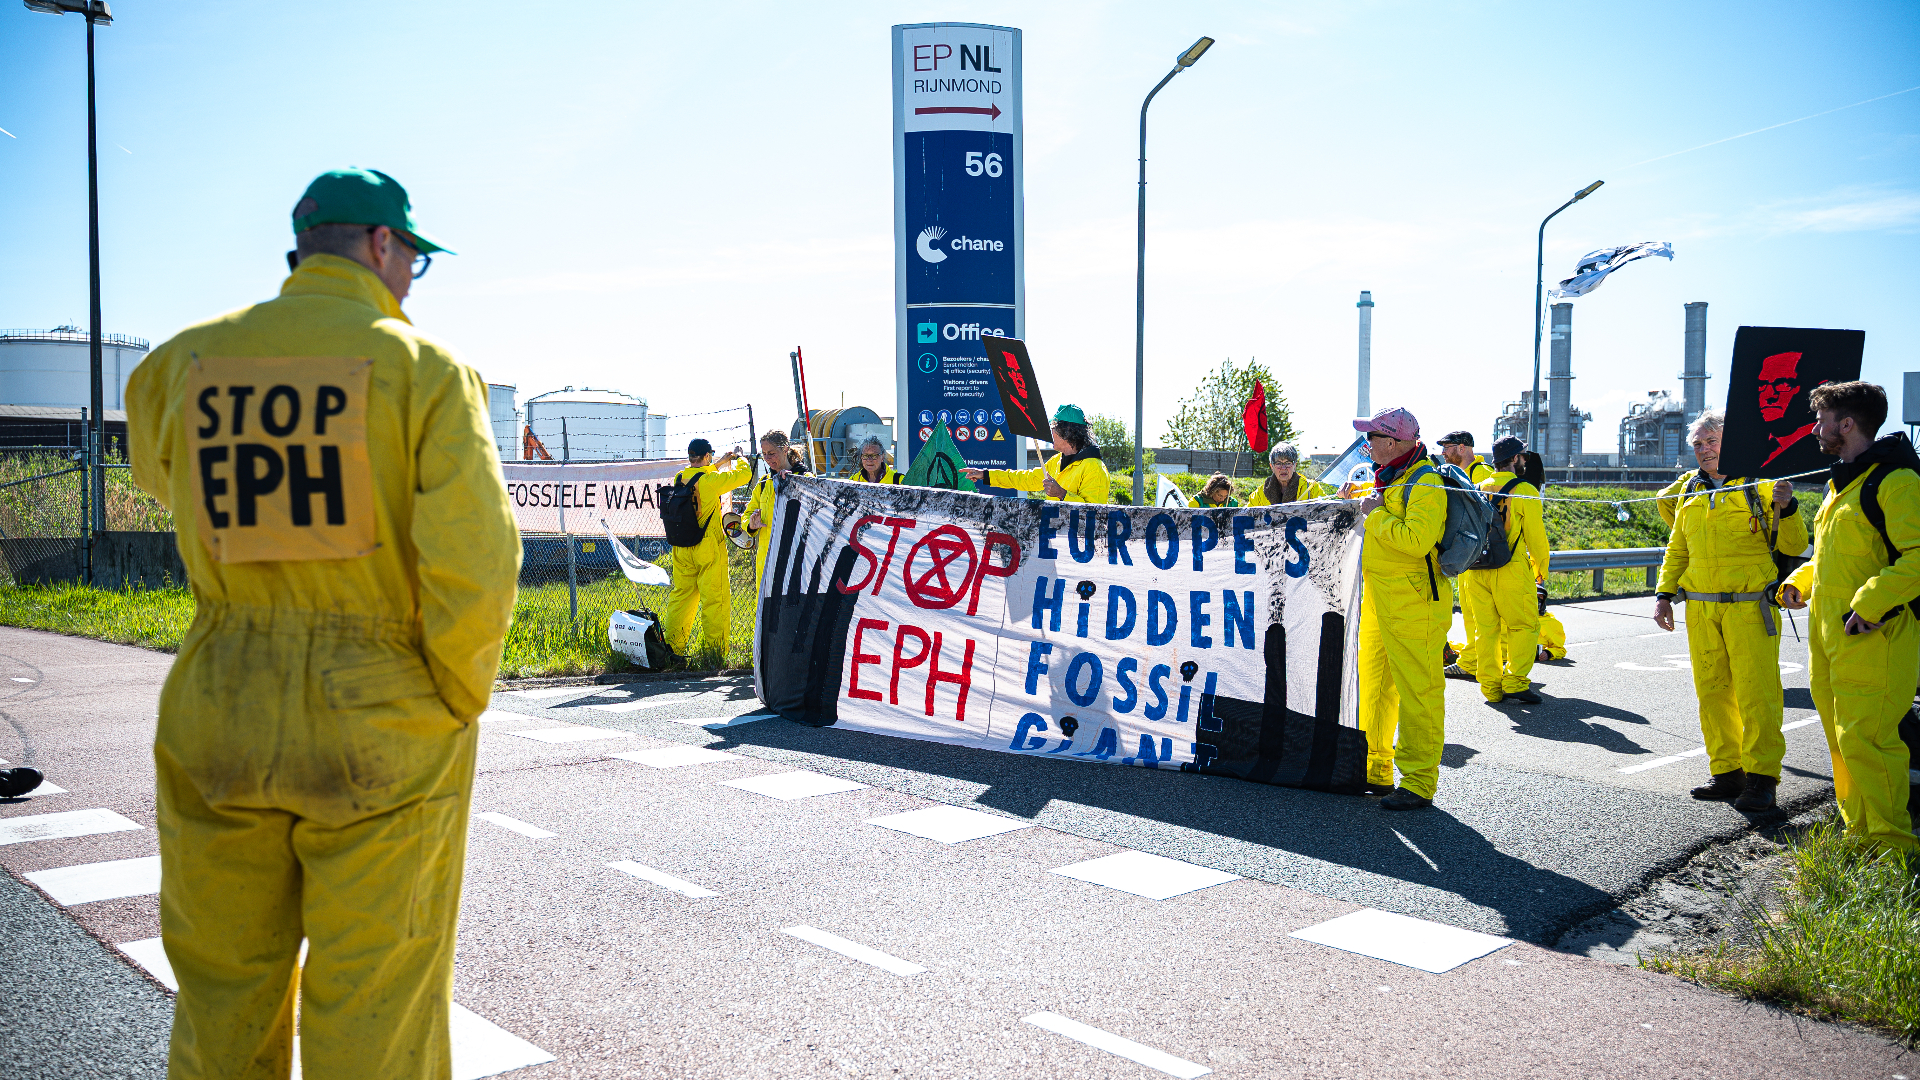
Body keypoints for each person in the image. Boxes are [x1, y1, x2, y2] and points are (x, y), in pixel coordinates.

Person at [124, 167, 519, 1079]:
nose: (413, 278)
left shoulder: (184, 360)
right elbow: (477, 558)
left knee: (223, 992)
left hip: (220, 688)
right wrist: (452, 695)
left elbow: (158, 470)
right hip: (377, 711)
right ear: (383, 246)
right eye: (415, 257)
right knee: (376, 998)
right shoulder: (425, 370)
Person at [1779, 382, 1919, 851]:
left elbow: (1918, 557)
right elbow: (1829, 556)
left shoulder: (1896, 481)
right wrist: (1800, 581)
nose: (1815, 429)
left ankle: (1892, 846)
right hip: (1830, 635)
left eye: (1822, 421)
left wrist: (1872, 603)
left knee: (1869, 741)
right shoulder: (1844, 483)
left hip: (1875, 635)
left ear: (1847, 424)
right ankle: (1858, 833)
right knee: (1841, 741)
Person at [1654, 408, 1807, 812]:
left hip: (1750, 607)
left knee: (1759, 695)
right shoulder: (1689, 489)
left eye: (1711, 442)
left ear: (1731, 442)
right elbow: (1678, 547)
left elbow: (1794, 544)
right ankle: (1727, 773)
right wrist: (1664, 594)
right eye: (1698, 445)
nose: (1703, 450)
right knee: (1713, 692)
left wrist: (1788, 508)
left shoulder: (1761, 484)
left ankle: (1761, 779)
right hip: (1702, 609)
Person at [1350, 407, 1451, 811]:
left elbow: (1415, 540)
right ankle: (1376, 769)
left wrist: (1373, 515)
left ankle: (1419, 781)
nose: (1366, 445)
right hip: (1381, 597)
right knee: (1374, 686)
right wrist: (1362, 503)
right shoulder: (1393, 476)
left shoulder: (1426, 481)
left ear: (1391, 442)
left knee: (1418, 693)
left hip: (1415, 602)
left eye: (1370, 438)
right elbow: (1387, 513)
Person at [1462, 436, 1551, 705]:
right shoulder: (1525, 490)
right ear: (1514, 459)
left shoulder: (1477, 486)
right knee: (1523, 625)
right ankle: (1514, 681)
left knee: (1486, 629)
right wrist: (1540, 570)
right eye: (1523, 457)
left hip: (1476, 568)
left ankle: (1490, 687)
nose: (1524, 461)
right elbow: (1536, 539)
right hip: (1510, 568)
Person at [665, 437, 751, 657]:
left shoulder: (679, 477)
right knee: (714, 599)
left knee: (681, 598)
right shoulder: (712, 480)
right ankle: (714, 654)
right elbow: (744, 475)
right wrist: (740, 458)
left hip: (681, 546)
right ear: (706, 456)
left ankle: (673, 649)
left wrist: (719, 463)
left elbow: (699, 475)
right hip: (707, 546)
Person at [1435, 432, 1495, 682]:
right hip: (1467, 554)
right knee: (1470, 615)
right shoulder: (1461, 473)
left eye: (1447, 448)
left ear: (1462, 448)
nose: (1444, 454)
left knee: (1478, 616)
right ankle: (1475, 659)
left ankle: (1475, 662)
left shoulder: (1480, 474)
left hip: (1479, 555)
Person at [963, 403, 1110, 503]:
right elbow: (1023, 479)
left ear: (1067, 432)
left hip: (1080, 547)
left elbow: (1095, 514)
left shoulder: (1095, 468)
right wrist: (985, 474)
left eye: (1052, 430)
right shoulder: (1056, 461)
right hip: (1057, 541)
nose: (1049, 434)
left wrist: (1061, 494)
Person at [743, 430, 807, 586]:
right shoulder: (763, 483)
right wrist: (751, 524)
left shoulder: (806, 479)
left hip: (794, 559)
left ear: (785, 450)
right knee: (765, 609)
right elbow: (746, 515)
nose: (767, 458)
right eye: (764, 454)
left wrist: (792, 482)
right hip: (766, 562)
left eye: (771, 453)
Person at [1248, 443, 1330, 506]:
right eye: (1278, 463)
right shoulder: (1259, 494)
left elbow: (1329, 509)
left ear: (1295, 466)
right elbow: (1245, 519)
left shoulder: (1311, 488)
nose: (1283, 468)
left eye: (1288, 463)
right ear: (1271, 466)